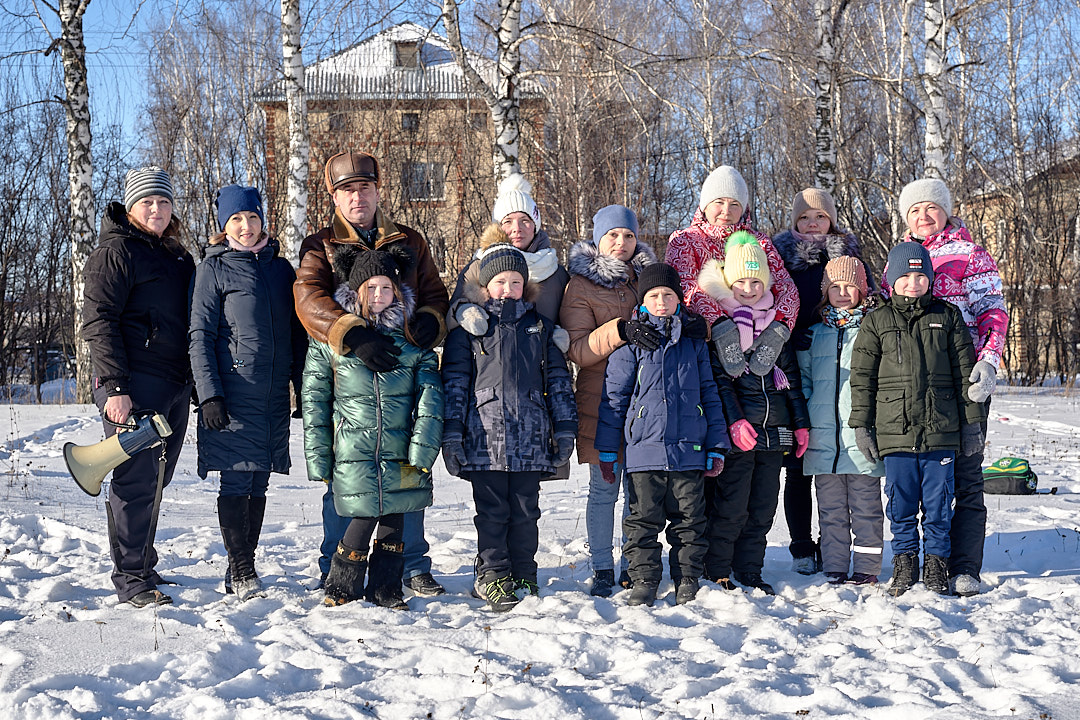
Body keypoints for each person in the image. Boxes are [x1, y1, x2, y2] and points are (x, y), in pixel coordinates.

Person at [294, 151, 450, 597]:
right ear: (334, 198)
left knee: (407, 472)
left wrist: (430, 321)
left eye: (364, 187)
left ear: (378, 190)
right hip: (351, 374)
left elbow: (436, 293)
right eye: (347, 190)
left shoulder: (410, 240)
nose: (357, 196)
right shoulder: (320, 244)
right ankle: (335, 562)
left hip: (401, 370)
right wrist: (351, 335)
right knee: (348, 473)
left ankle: (412, 563)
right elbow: (308, 300)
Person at [441, 231, 578, 612]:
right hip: (484, 439)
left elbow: (559, 381)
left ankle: (524, 574)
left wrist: (565, 428)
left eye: (515, 282)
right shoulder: (469, 332)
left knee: (525, 511)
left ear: (526, 286)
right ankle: (492, 576)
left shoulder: (541, 330)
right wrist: (451, 434)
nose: (508, 288)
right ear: (485, 287)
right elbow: (455, 384)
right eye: (500, 281)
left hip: (532, 438)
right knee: (492, 512)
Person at [303, 245, 443, 609]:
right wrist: (318, 459)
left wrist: (423, 450)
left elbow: (430, 401)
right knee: (361, 517)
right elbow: (315, 402)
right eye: (370, 288)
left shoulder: (413, 342)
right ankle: (341, 586)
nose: (379, 296)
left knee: (397, 518)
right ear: (354, 291)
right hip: (353, 450)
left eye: (386, 288)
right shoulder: (331, 345)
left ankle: (386, 589)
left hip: (404, 450)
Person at [82, 166, 195, 607]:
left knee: (157, 478)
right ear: (130, 207)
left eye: (164, 202)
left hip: (173, 383)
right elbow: (99, 321)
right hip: (131, 383)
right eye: (147, 201)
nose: (157, 209)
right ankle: (130, 578)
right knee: (134, 480)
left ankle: (143, 562)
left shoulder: (177, 257)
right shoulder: (116, 253)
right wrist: (113, 387)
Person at [189, 185, 305, 601]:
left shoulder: (281, 270)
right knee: (236, 481)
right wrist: (209, 395)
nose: (245, 226)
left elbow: (296, 334)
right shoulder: (213, 269)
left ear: (262, 220)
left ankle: (244, 563)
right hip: (233, 393)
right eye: (236, 219)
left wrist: (301, 384)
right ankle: (241, 569)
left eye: (252, 217)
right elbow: (199, 336)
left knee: (259, 483)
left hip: (272, 394)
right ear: (224, 226)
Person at [849, 242, 985, 597]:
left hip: (941, 431)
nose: (913, 282)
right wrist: (862, 426)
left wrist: (971, 424)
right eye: (905, 276)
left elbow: (964, 375)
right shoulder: (877, 320)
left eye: (920, 275)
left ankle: (937, 566)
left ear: (930, 278)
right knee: (901, 505)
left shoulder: (948, 316)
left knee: (939, 505)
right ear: (892, 279)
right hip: (895, 433)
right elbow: (862, 378)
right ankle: (905, 564)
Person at [894, 178, 1009, 597]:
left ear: (945, 210)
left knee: (966, 472)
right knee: (923, 476)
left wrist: (989, 361)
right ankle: (925, 561)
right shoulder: (902, 256)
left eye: (931, 208)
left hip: (966, 378)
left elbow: (992, 310)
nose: (923, 217)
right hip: (918, 383)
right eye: (914, 211)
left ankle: (964, 567)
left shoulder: (970, 253)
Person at [594, 263, 728, 607]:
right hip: (644, 451)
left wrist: (715, 445)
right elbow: (613, 401)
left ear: (679, 300)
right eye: (654, 295)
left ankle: (687, 578)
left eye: (668, 294)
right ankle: (644, 579)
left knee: (690, 521)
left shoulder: (694, 345)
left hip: (689, 450)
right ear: (643, 302)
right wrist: (608, 451)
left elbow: (710, 394)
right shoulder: (630, 347)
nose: (661, 301)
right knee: (641, 520)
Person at [697, 232, 811, 595]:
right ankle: (718, 569)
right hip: (740, 436)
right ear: (730, 282)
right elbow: (719, 380)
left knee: (762, 509)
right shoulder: (723, 329)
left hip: (774, 433)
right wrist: (735, 420)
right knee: (731, 507)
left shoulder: (778, 328)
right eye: (741, 281)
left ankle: (750, 569)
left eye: (756, 281)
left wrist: (801, 425)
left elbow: (790, 380)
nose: (748, 288)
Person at [559, 205, 659, 597]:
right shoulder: (580, 286)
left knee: (640, 492)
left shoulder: (646, 279)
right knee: (605, 488)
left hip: (645, 404)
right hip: (601, 404)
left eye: (629, 236)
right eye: (613, 235)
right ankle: (602, 565)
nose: (621, 243)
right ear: (598, 240)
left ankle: (635, 562)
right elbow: (578, 350)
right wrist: (620, 330)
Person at [773, 187, 874, 575]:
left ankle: (851, 550)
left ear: (831, 219)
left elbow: (867, 296)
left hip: (842, 355)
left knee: (838, 463)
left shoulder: (848, 255)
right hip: (793, 357)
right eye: (804, 217)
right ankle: (802, 545)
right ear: (794, 222)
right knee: (798, 459)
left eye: (819, 216)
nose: (812, 223)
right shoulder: (781, 258)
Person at [797, 257, 885, 585]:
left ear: (862, 290)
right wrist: (805, 419)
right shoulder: (813, 334)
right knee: (830, 510)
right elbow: (804, 379)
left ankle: (867, 567)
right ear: (825, 292)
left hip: (861, 437)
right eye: (835, 287)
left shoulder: (873, 330)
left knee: (866, 509)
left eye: (850, 286)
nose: (843, 292)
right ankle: (834, 565)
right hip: (822, 440)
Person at [665, 165, 800, 380]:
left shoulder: (759, 241)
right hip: (705, 341)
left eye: (734, 204)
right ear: (705, 205)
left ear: (744, 208)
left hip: (759, 335)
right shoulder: (685, 240)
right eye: (719, 202)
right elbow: (685, 286)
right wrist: (721, 325)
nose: (726, 211)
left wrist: (780, 326)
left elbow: (785, 285)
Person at [448, 172, 570, 332]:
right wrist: (465, 312)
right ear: (497, 226)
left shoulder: (556, 273)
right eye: (508, 221)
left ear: (536, 226)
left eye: (525, 221)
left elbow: (571, 324)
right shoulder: (477, 268)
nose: (517, 228)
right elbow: (450, 322)